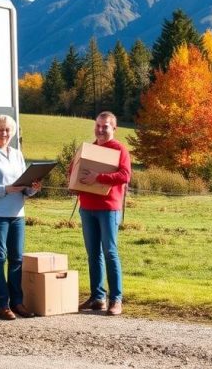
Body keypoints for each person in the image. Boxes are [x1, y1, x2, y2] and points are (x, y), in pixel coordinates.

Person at [0, 114, 42, 320]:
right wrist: (6, 189)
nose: (4, 133)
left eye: (8, 130)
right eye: (1, 129)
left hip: (17, 214)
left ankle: (17, 302)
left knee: (17, 259)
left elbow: (23, 187)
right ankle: (2, 304)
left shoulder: (17, 155)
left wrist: (33, 189)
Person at [73, 111, 131, 316]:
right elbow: (74, 171)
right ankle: (98, 297)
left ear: (114, 128)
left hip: (108, 208)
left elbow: (125, 175)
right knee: (93, 254)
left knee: (110, 252)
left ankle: (116, 299)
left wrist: (99, 177)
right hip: (87, 207)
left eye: (105, 126)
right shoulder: (89, 149)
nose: (100, 129)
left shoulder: (119, 149)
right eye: (97, 125)